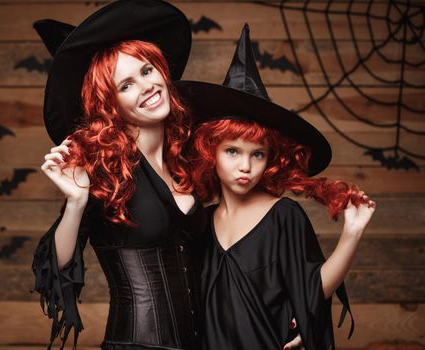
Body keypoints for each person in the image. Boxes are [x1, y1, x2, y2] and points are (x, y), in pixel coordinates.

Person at [175, 24, 376, 350]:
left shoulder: (284, 216)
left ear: (272, 159)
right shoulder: (201, 221)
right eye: (232, 151)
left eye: (258, 154)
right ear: (209, 152)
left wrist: (352, 232)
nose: (245, 166)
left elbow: (310, 289)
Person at [31, 1, 205, 349]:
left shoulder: (184, 158)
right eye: (125, 85)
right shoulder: (103, 170)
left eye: (146, 70)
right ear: (111, 105)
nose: (146, 86)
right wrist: (76, 202)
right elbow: (58, 268)